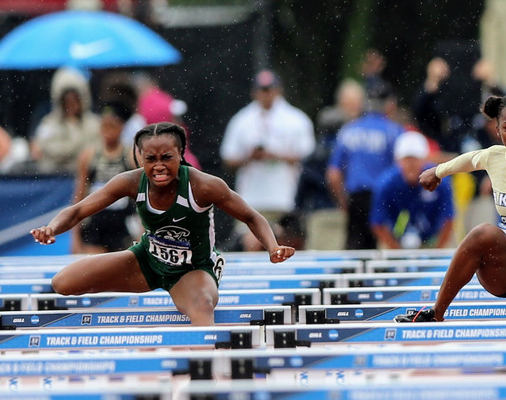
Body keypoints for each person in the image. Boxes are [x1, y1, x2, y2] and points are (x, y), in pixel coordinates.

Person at [29, 122, 296, 326]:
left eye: (166, 157)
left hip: (191, 271)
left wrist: (272, 247)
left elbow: (252, 216)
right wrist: (51, 228)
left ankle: (204, 381)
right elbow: (77, 211)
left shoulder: (203, 186)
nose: (159, 166)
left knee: (202, 305)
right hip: (147, 261)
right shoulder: (131, 182)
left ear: (180, 154)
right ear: (139, 158)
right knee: (63, 282)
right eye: (150, 159)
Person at [395, 92, 506, 323]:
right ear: (498, 131)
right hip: (505, 264)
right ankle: (436, 312)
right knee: (484, 233)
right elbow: (471, 160)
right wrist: (438, 171)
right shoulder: (494, 156)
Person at [220, 69, 316, 250]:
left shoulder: (296, 120)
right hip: (251, 199)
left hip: (287, 198)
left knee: (287, 246)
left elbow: (308, 157)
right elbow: (228, 159)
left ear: (278, 90)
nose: (266, 95)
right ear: (254, 92)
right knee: (252, 245)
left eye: (269, 89)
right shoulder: (242, 120)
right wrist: (249, 157)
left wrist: (277, 156)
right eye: (262, 90)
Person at [326, 80, 405, 250]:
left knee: (355, 250)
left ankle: (353, 277)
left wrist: (344, 203)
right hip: (385, 196)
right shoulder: (394, 131)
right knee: (388, 247)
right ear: (389, 105)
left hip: (356, 198)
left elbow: (333, 174)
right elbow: (404, 168)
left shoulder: (349, 130)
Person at [370, 131, 455, 249]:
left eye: (414, 159)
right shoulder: (386, 184)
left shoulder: (440, 181)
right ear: (398, 161)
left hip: (431, 239)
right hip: (396, 239)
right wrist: (396, 251)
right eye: (406, 159)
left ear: (424, 160)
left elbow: (449, 219)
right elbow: (378, 223)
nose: (410, 164)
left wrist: (437, 250)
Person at [71, 102, 137, 254]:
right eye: (104, 126)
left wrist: (142, 229)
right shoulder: (89, 156)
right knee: (94, 270)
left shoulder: (132, 156)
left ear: (121, 127)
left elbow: (142, 196)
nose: (107, 131)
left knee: (122, 271)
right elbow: (79, 196)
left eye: (112, 126)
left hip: (122, 225)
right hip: (96, 225)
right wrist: (75, 238)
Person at [30, 67, 102, 174]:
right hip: (54, 177)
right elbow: (43, 149)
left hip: (85, 176)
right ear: (60, 101)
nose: (72, 106)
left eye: (75, 100)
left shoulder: (94, 124)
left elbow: (97, 151)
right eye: (67, 101)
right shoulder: (49, 124)